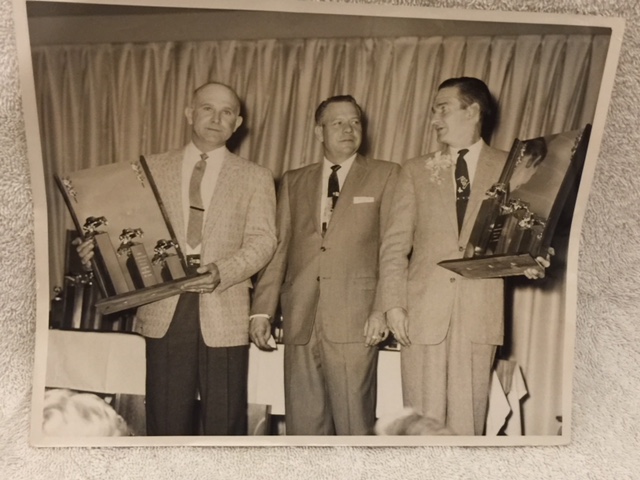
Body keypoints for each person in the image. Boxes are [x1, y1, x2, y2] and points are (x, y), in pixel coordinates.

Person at [77, 81, 277, 435]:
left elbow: (264, 241)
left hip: (224, 306)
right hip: (164, 306)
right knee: (165, 423)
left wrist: (222, 271)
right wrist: (96, 253)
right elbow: (123, 236)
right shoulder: (148, 169)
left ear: (237, 123)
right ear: (189, 113)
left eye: (227, 112)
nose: (216, 118)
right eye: (207, 108)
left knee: (224, 427)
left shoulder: (256, 177)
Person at [376, 77, 548, 435]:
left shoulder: (511, 166)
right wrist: (393, 304)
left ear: (472, 111)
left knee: (467, 427)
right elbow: (393, 246)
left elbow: (526, 230)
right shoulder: (414, 170)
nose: (434, 119)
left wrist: (534, 260)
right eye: (433, 111)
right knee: (421, 427)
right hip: (422, 315)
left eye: (443, 109)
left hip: (478, 314)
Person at [249, 95, 400, 435]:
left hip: (356, 320)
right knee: (303, 430)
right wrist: (262, 311)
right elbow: (279, 249)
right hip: (300, 319)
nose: (349, 129)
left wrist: (381, 310)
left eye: (355, 122)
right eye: (338, 123)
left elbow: (392, 249)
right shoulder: (294, 180)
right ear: (319, 132)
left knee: (354, 427)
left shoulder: (386, 174)